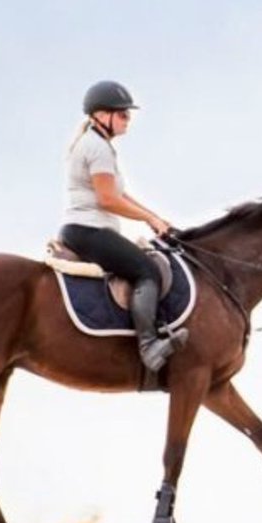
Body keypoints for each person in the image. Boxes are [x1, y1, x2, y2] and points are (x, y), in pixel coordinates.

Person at [59, 80, 185, 372]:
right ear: (103, 115)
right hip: (89, 230)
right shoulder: (96, 147)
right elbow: (107, 199)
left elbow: (120, 194)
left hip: (87, 229)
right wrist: (147, 218)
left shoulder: (99, 145)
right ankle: (150, 347)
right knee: (147, 270)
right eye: (123, 114)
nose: (128, 121)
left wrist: (155, 217)